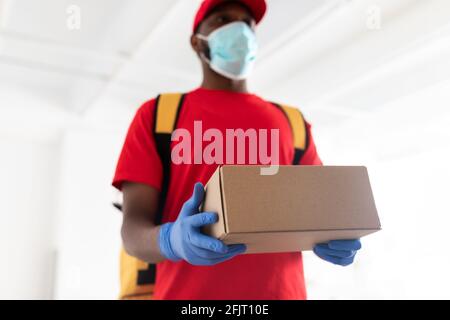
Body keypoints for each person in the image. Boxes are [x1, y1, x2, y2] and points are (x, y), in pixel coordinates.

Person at [112, 0, 362, 300]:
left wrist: (335, 233)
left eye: (247, 23)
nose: (239, 29)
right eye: (222, 19)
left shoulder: (292, 123)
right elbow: (133, 232)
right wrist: (170, 240)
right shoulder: (159, 116)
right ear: (197, 42)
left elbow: (318, 211)